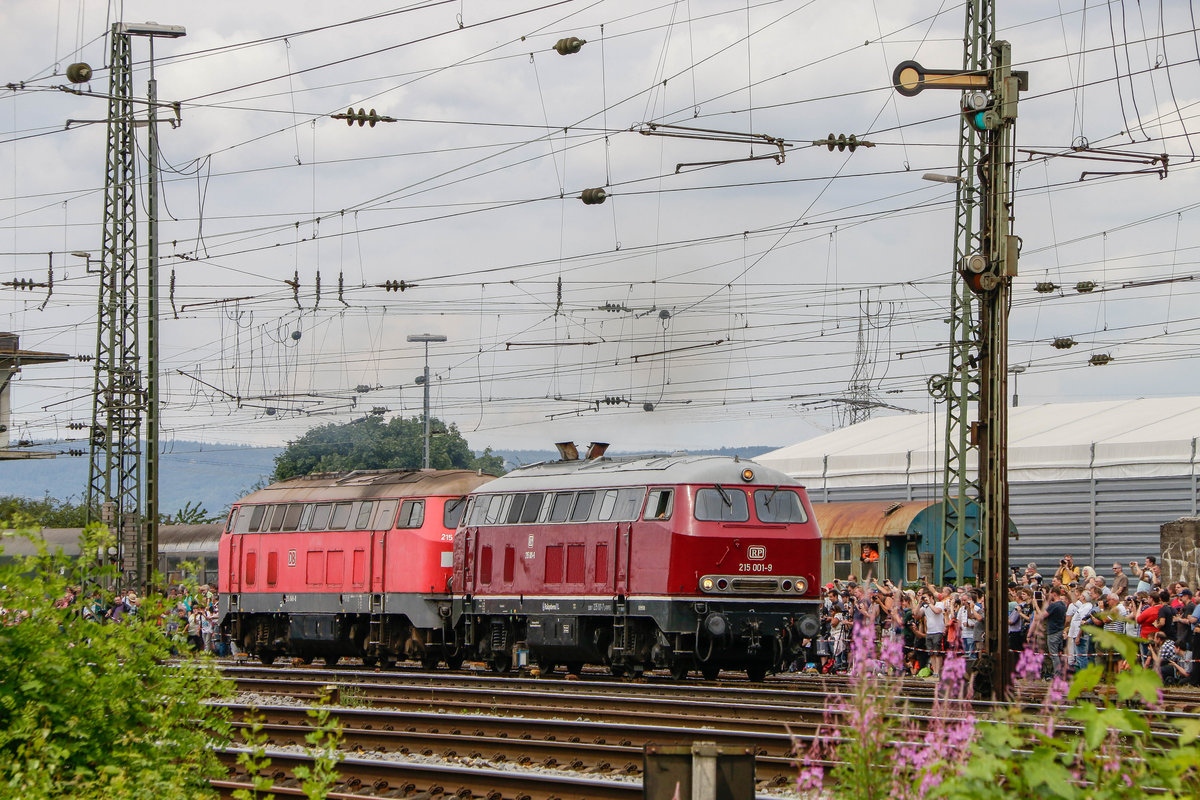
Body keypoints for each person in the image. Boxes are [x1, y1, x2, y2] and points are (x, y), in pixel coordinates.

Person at [920, 590, 946, 677]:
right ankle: (934, 670)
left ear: (931, 597)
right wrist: (919, 603)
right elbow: (916, 614)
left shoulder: (939, 604)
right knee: (931, 653)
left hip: (938, 631)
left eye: (926, 597)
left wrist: (929, 603)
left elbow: (937, 611)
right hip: (929, 632)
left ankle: (938, 671)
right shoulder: (925, 606)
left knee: (937, 653)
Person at [1044, 587, 1068, 677]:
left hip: (1053, 631)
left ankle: (1057, 674)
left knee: (1054, 655)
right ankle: (1061, 672)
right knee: (1059, 653)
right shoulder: (1063, 604)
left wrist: (1040, 605)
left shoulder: (1054, 605)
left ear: (1054, 594)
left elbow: (1042, 616)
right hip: (1060, 630)